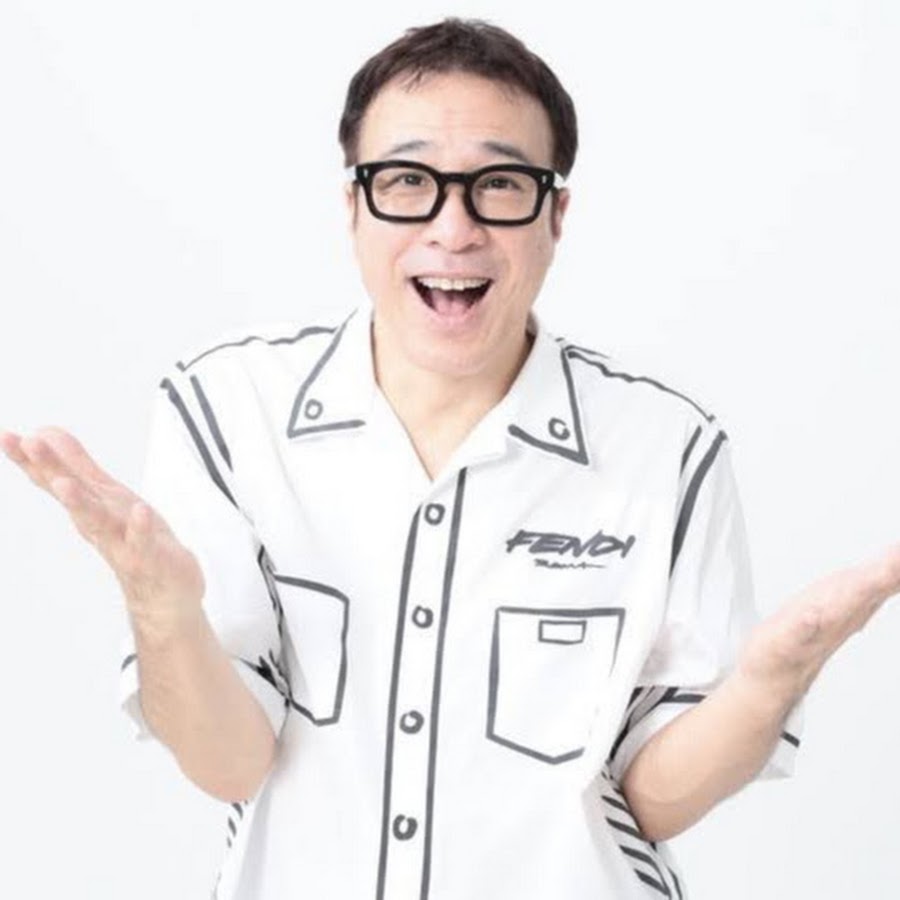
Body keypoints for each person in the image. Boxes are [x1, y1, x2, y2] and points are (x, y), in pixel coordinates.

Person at [1, 17, 898, 900]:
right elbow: (228, 762)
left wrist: (770, 683)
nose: (453, 227)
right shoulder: (227, 412)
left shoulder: (667, 449)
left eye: (500, 185)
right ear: (353, 206)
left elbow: (650, 802)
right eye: (407, 181)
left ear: (556, 215)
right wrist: (161, 609)